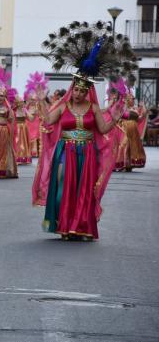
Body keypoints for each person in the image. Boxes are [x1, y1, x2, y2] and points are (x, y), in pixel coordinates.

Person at [33, 33, 131, 241]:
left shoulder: (94, 107)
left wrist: (115, 117)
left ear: (87, 92)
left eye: (81, 91)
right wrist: (42, 101)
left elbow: (103, 130)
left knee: (84, 188)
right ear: (72, 89)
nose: (77, 93)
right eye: (75, 89)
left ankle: (82, 226)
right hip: (64, 150)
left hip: (86, 152)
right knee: (63, 186)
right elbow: (48, 121)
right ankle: (64, 226)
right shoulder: (63, 106)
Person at [115, 93, 146, 171]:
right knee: (123, 145)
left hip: (133, 131)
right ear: (127, 100)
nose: (133, 100)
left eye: (133, 99)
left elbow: (140, 119)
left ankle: (128, 165)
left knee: (131, 147)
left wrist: (143, 106)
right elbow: (116, 118)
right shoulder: (122, 108)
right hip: (124, 130)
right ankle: (122, 164)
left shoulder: (135, 109)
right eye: (132, 99)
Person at [13, 95, 34, 165]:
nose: (23, 103)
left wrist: (35, 113)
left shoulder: (24, 110)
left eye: (23, 102)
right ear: (17, 103)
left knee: (23, 143)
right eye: (21, 102)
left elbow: (31, 119)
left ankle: (23, 158)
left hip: (24, 128)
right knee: (17, 142)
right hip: (16, 128)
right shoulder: (13, 110)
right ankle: (16, 157)